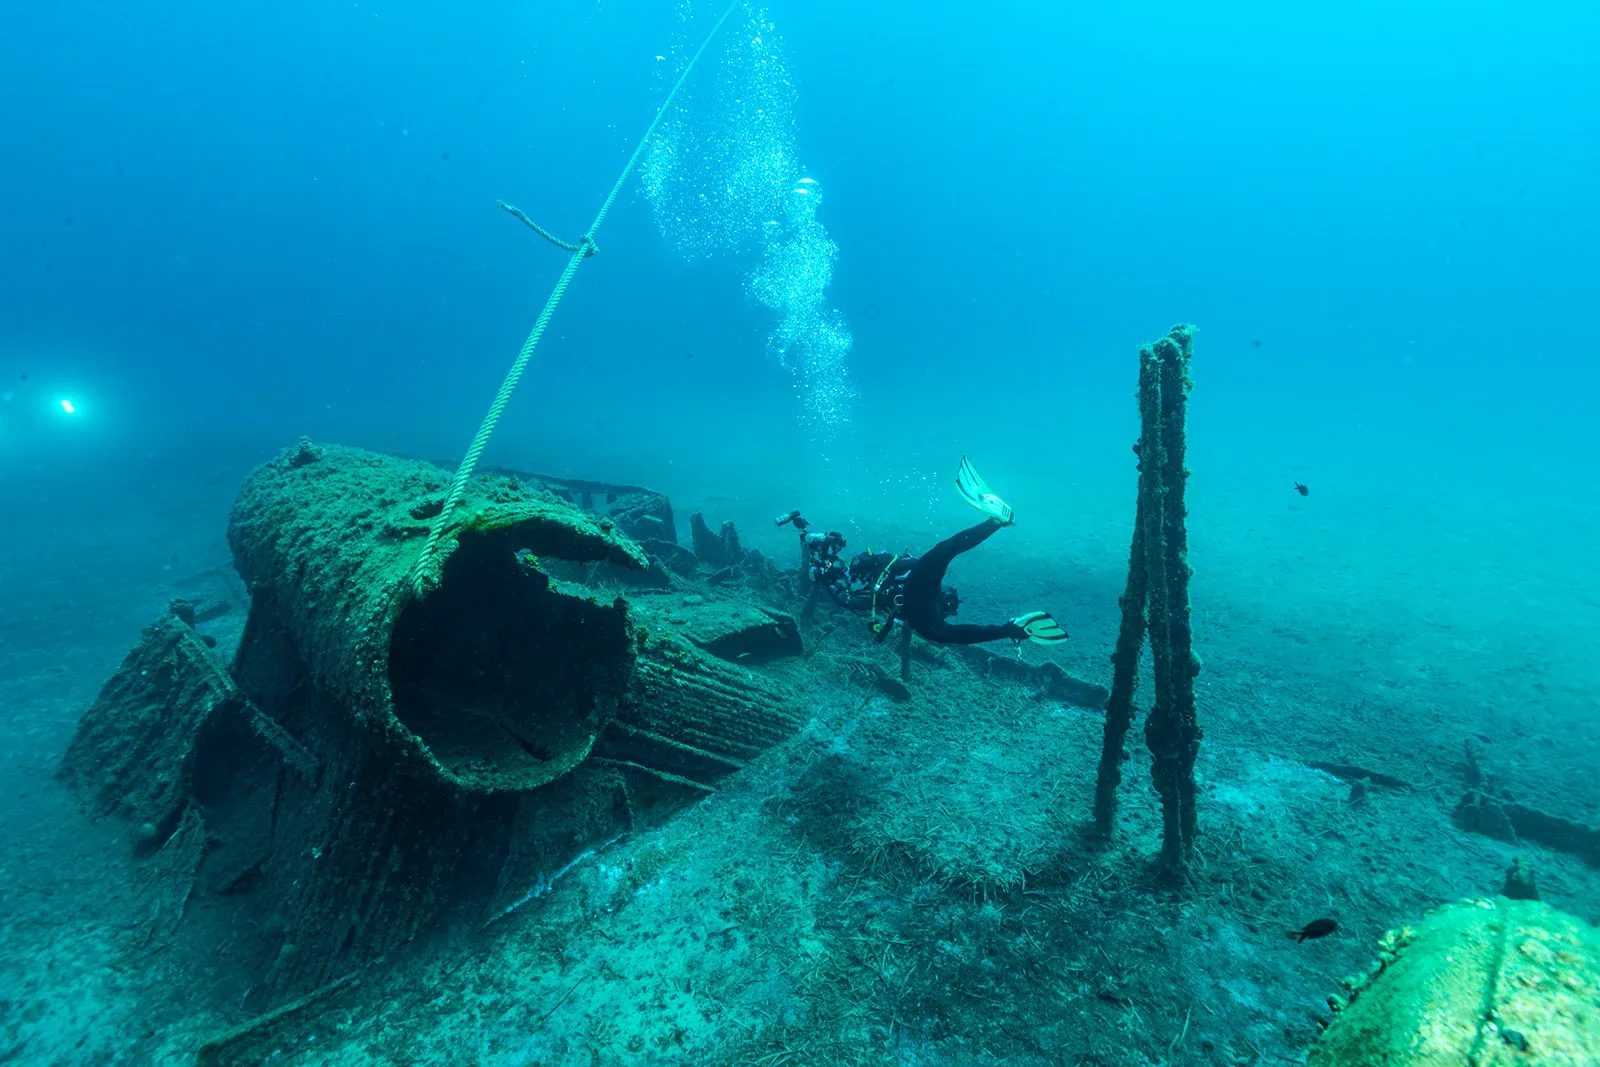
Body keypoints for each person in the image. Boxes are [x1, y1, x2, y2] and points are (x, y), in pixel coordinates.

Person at [787, 458, 1068, 648]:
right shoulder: (911, 605)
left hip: (916, 596)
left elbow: (845, 598)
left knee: (944, 552)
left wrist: (825, 577)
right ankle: (996, 523)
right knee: (944, 552)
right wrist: (826, 576)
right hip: (918, 597)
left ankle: (996, 523)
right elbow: (847, 599)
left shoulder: (899, 596)